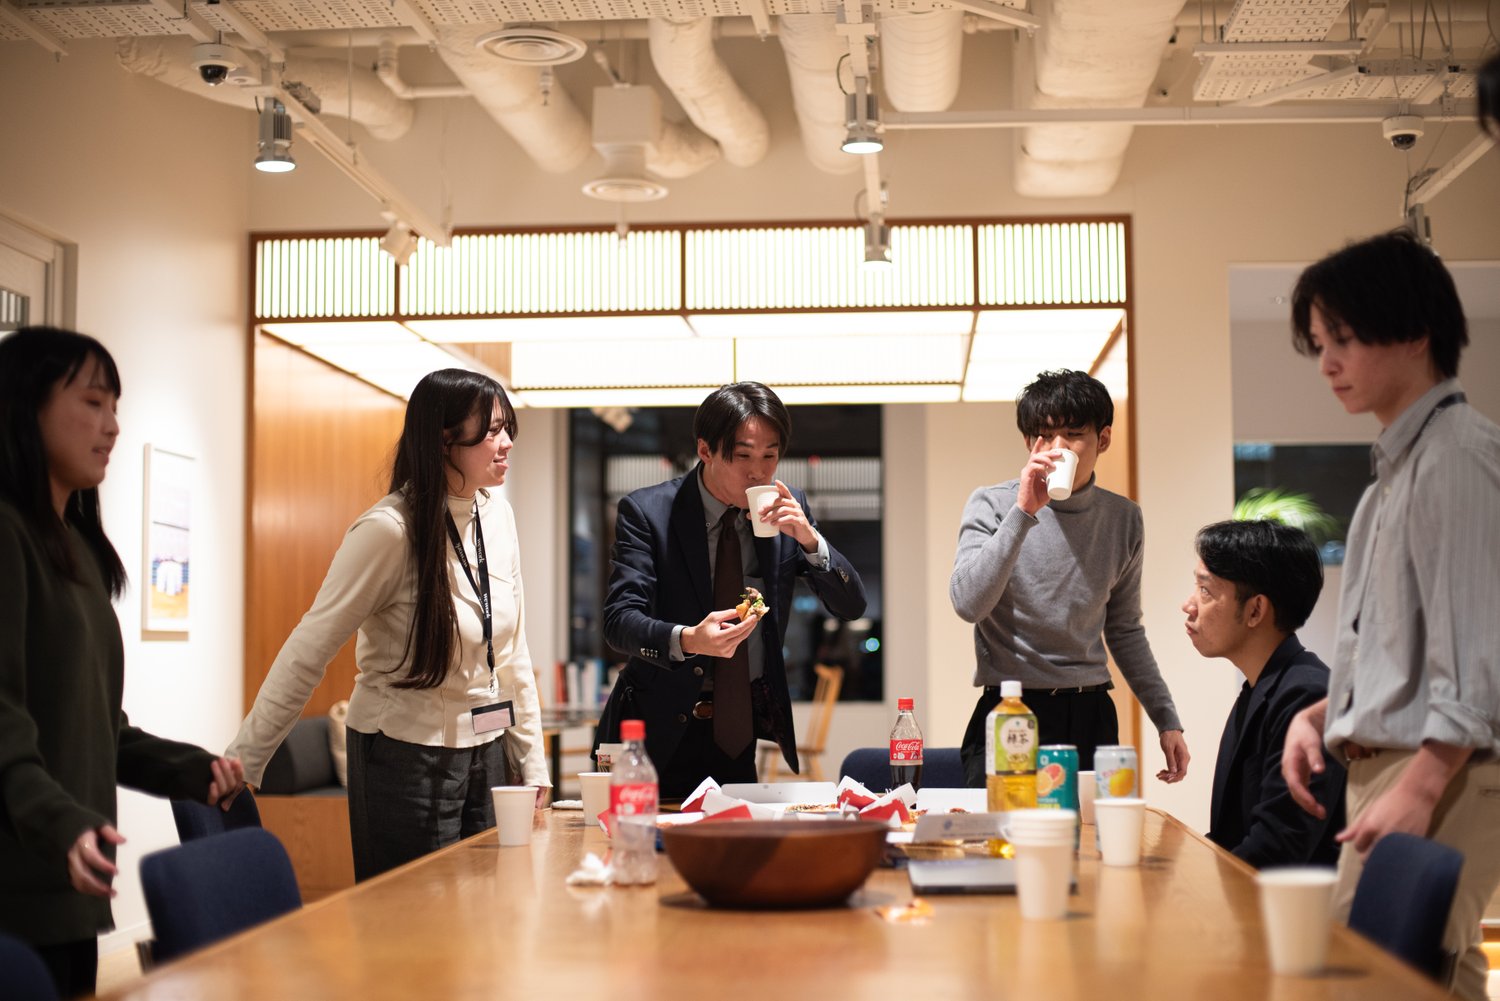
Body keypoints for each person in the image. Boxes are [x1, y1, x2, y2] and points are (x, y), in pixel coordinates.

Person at [1281, 229, 1500, 1001]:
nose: (1329, 362)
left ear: (1414, 331)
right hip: (1397, 765)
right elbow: (1406, 651)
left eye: (1344, 337)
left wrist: (1422, 782)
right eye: (1319, 344)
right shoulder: (1390, 478)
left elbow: (1480, 648)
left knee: (1368, 978)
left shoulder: (1458, 457)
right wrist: (1320, 711)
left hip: (1442, 766)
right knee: (1438, 971)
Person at [228, 369, 549, 882]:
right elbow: (309, 648)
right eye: (491, 430)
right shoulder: (388, 530)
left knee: (491, 913)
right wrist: (243, 763)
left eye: (507, 427)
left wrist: (531, 764)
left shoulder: (497, 519)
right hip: (403, 757)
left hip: (485, 753)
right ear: (445, 439)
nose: (507, 442)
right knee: (411, 924)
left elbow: (511, 653)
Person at [0, 327, 245, 999]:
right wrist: (62, 822)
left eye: (116, 406)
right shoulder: (7, 534)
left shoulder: (75, 545)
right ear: (27, 406)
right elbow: (4, 722)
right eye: (93, 402)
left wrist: (191, 769)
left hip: (72, 880)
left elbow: (98, 728)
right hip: (23, 877)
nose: (112, 426)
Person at [597, 382, 866, 798]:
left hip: (736, 730)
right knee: (644, 855)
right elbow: (619, 621)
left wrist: (810, 541)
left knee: (738, 851)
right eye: (742, 456)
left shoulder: (786, 511)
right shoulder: (648, 512)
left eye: (770, 455)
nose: (758, 472)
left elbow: (851, 606)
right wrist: (687, 639)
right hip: (653, 734)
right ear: (706, 451)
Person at [950, 369, 1189, 785]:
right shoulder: (992, 504)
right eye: (1043, 436)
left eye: (1074, 434)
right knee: (998, 841)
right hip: (1010, 709)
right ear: (1028, 442)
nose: (1057, 448)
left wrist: (1166, 719)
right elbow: (968, 603)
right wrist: (1023, 512)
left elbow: (1125, 629)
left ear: (1104, 439)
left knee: (1090, 843)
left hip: (1090, 711)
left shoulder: (1124, 518)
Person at [1184, 520, 1345, 867]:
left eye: (1205, 590)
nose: (1189, 605)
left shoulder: (1306, 695)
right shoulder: (1264, 686)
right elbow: (1234, 835)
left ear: (1256, 610)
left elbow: (1278, 848)